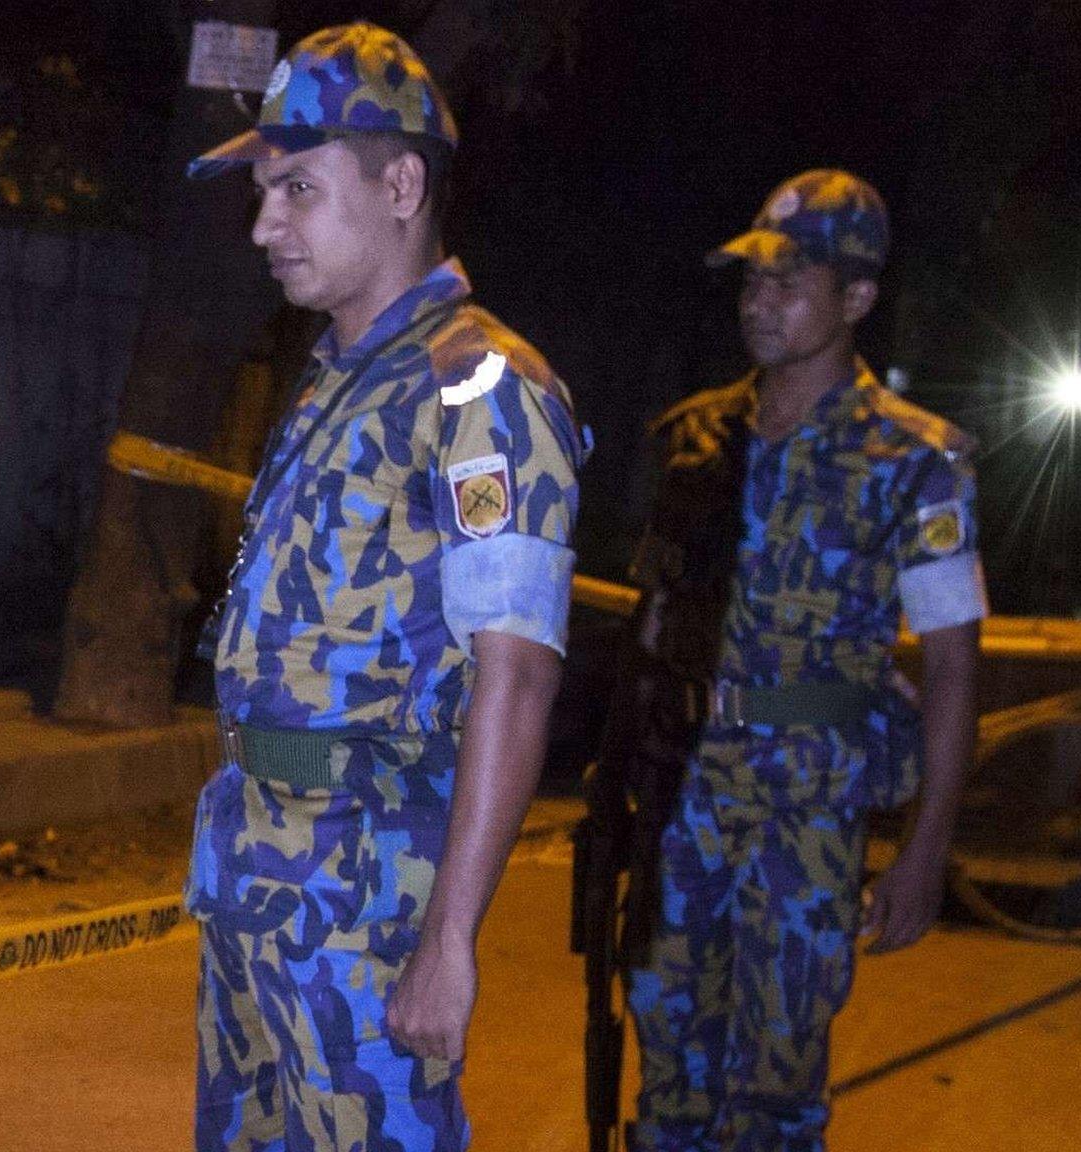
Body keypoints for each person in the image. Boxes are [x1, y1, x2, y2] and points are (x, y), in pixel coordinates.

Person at [181, 22, 587, 1150]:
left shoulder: (480, 391)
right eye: (262, 193)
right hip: (260, 874)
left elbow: (515, 671)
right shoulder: (336, 376)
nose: (265, 226)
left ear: (400, 183)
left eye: (296, 190)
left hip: (369, 897)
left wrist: (449, 936)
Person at [621, 169, 985, 1151]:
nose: (758, 303)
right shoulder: (694, 435)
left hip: (807, 815)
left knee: (773, 1096)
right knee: (662, 1079)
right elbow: (653, 625)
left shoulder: (915, 460)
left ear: (855, 299)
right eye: (749, 282)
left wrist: (922, 849)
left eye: (787, 283)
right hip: (680, 797)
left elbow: (951, 667)